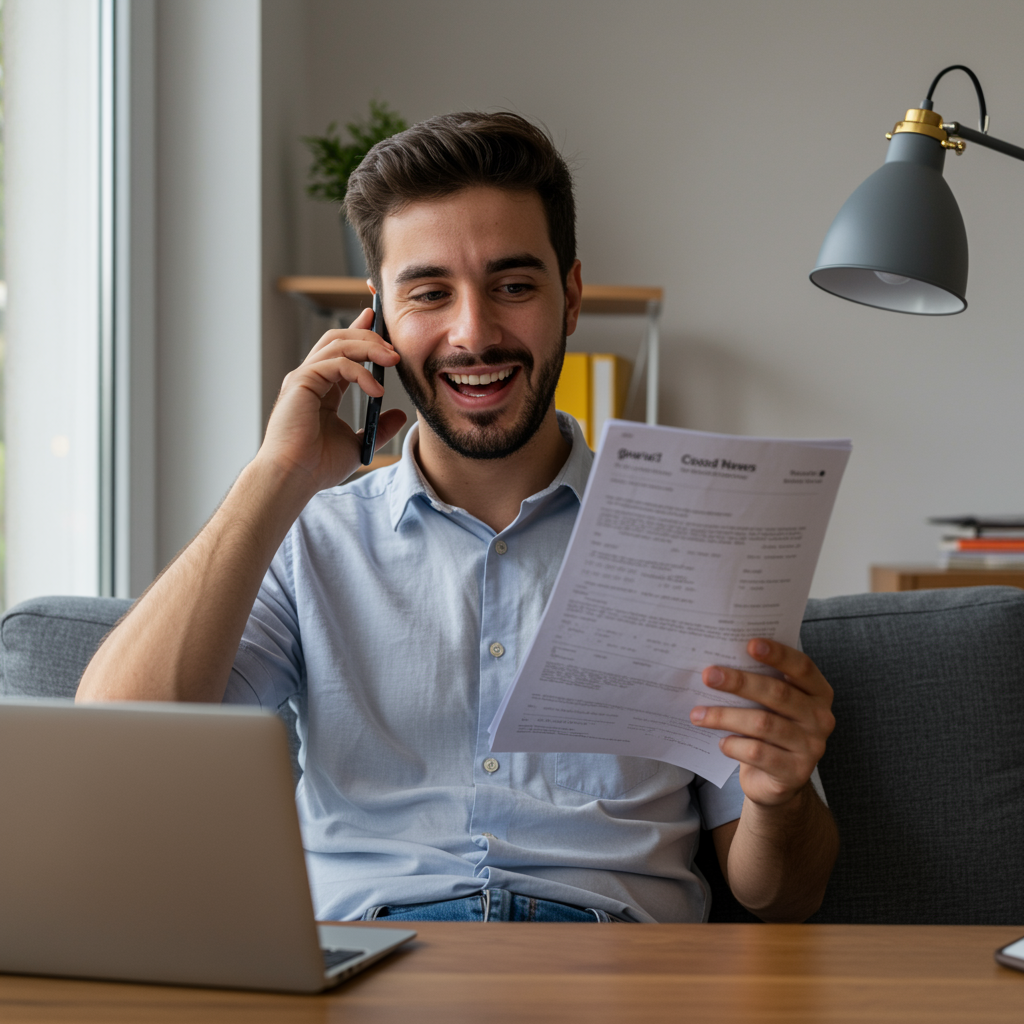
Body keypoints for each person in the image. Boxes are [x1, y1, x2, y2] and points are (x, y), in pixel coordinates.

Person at [78, 112, 838, 925]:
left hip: (617, 972)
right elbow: (114, 753)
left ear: (570, 296)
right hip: (376, 964)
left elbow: (780, 896)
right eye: (429, 292)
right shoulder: (310, 540)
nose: (473, 333)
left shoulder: (695, 547)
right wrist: (276, 474)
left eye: (513, 286)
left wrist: (780, 799)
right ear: (376, 321)